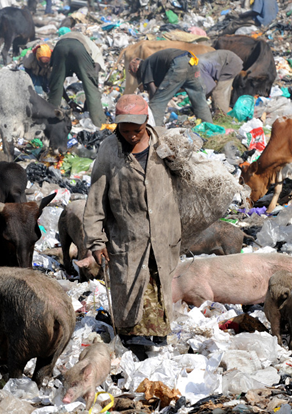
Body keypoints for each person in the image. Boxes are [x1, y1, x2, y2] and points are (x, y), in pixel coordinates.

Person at [84, 94, 181, 360]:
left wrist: (177, 158)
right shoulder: (109, 150)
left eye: (136, 131)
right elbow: (96, 198)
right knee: (129, 289)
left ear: (146, 123)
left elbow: (186, 174)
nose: (132, 136)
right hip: (128, 236)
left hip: (163, 235)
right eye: (125, 131)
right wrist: (96, 240)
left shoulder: (165, 143)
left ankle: (155, 338)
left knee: (158, 285)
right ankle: (134, 343)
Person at [129, 49, 213, 126]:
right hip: (191, 61)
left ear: (136, 70)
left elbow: (153, 90)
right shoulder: (151, 62)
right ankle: (209, 127)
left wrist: (152, 104)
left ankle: (156, 130)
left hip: (179, 64)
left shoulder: (144, 66)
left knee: (157, 102)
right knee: (199, 99)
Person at [48, 31, 106, 127]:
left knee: (55, 86)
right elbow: (95, 71)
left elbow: (56, 84)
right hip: (78, 49)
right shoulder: (94, 49)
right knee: (91, 87)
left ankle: (50, 121)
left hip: (59, 47)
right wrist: (91, 84)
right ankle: (100, 124)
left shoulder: (69, 39)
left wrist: (69, 101)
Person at [197, 50, 244, 114]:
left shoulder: (197, 68)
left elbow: (210, 86)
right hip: (225, 59)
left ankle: (220, 114)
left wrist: (198, 104)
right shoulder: (191, 63)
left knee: (219, 91)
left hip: (230, 63)